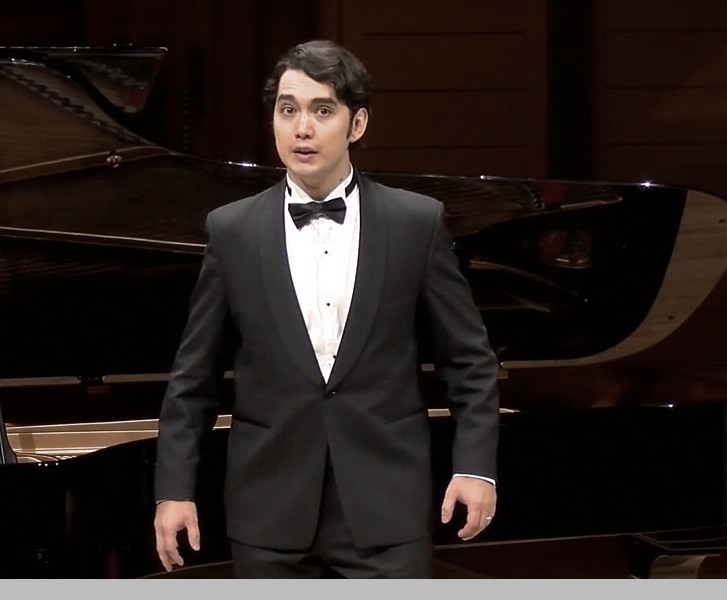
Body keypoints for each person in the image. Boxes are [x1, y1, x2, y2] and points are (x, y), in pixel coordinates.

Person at [153, 39, 500, 579]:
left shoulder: (415, 223)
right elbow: (193, 379)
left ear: (357, 124)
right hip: (268, 514)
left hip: (388, 510)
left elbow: (470, 363)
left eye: (322, 110)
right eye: (287, 110)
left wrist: (476, 468)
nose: (302, 129)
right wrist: (174, 489)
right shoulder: (232, 230)